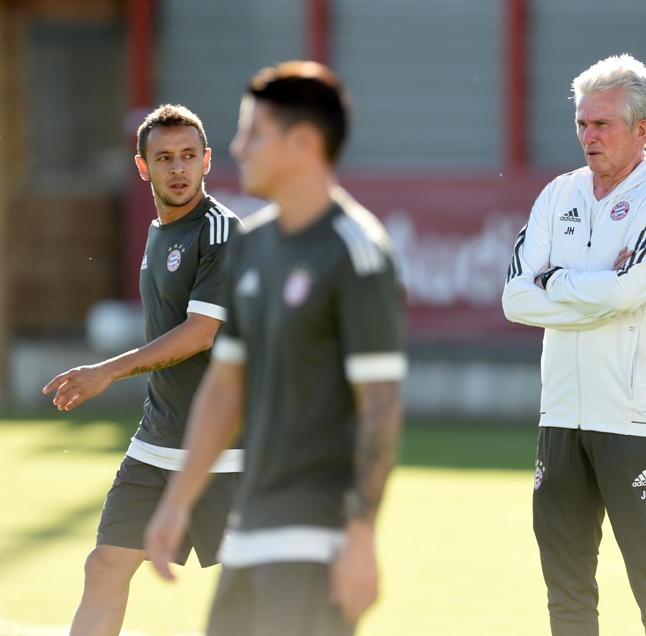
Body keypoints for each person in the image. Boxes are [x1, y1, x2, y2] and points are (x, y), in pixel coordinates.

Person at [144, 61, 405, 636]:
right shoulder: (254, 246)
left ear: (304, 142)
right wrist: (177, 501)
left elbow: (380, 407)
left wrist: (360, 535)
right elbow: (225, 386)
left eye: (254, 132)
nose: (238, 147)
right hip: (250, 525)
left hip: (318, 537)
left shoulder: (357, 252)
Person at [502, 54, 646, 636]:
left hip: (636, 421)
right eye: (582, 123)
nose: (588, 136)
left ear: (643, 130)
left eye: (602, 124)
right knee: (566, 590)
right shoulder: (557, 194)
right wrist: (595, 292)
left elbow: (629, 292)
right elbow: (513, 298)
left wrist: (556, 282)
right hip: (560, 417)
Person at [42, 105, 243, 636]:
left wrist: (107, 370)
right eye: (164, 158)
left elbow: (202, 333)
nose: (178, 168)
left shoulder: (222, 230)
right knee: (105, 566)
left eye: (188, 157)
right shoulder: (158, 233)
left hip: (227, 447)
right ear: (142, 167)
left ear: (206, 161)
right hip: (157, 441)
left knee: (256, 595)